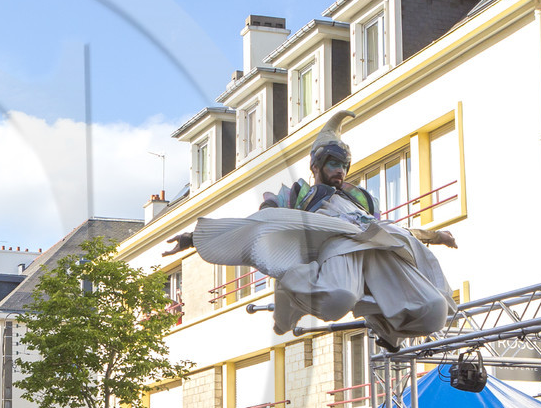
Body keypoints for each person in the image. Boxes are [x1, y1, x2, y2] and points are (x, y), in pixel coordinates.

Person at [163, 115, 456, 348]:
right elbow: (260, 222)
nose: (340, 171)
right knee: (338, 298)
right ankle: (291, 294)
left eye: (343, 165)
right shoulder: (300, 195)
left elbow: (389, 228)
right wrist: (192, 238)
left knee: (433, 309)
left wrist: (433, 236)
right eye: (333, 163)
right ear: (317, 164)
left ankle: (388, 330)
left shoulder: (361, 199)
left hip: (375, 248)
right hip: (337, 249)